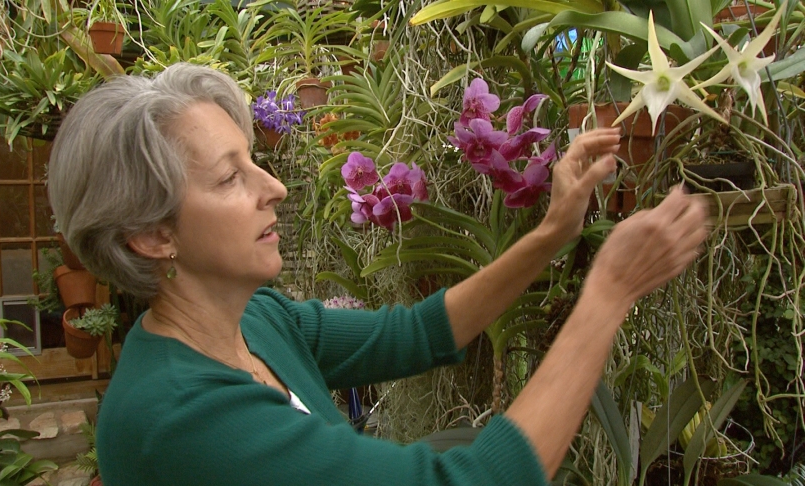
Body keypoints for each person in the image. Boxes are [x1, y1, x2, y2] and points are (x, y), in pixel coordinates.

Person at [47, 63, 707, 485]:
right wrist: (609, 294)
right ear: (152, 234)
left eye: (255, 160)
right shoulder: (182, 418)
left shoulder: (255, 320)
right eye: (229, 177)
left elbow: (416, 333)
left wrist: (553, 233)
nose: (274, 186)